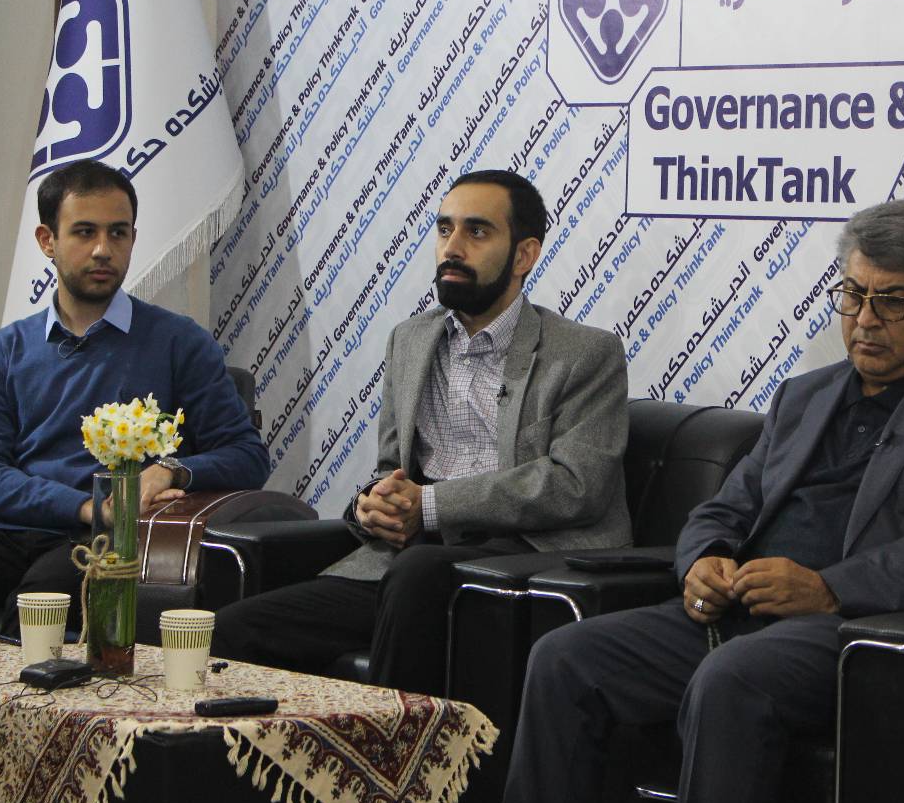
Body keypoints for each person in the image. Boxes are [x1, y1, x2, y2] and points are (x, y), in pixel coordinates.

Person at [496, 194, 904, 803]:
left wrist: (828, 588)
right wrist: (702, 560)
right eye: (853, 295)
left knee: (732, 678)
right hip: (736, 613)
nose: (865, 320)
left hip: (851, 631)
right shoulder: (804, 395)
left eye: (892, 302)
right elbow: (726, 507)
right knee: (563, 658)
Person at [211, 170, 630, 694]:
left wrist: (429, 506)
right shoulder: (410, 340)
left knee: (419, 571)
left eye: (477, 232)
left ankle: (398, 744)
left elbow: (576, 485)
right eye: (445, 229)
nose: (452, 248)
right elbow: (393, 470)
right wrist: (373, 505)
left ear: (524, 255)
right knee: (234, 631)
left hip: (527, 559)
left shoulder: (584, 353)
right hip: (412, 561)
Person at [0, 159, 270, 642]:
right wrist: (86, 507)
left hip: (109, 542)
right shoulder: (5, 350)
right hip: (8, 530)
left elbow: (247, 456)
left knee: (39, 606)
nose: (102, 250)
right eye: (84, 232)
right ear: (47, 240)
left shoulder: (179, 342)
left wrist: (171, 470)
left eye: (118, 233)